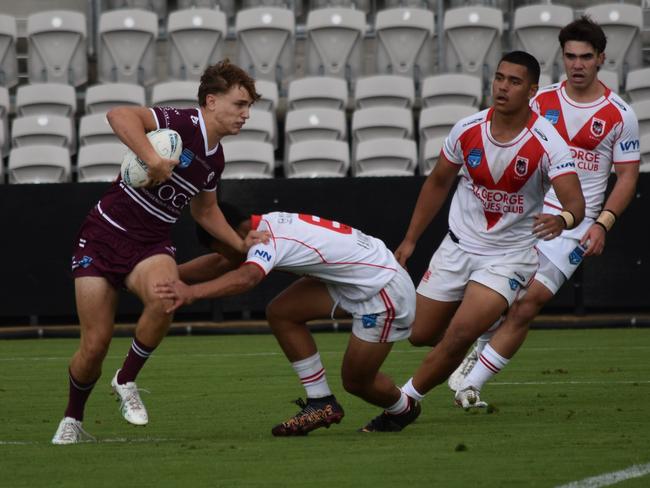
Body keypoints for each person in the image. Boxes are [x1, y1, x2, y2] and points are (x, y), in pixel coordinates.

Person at [360, 50, 586, 430]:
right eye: (499, 78)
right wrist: (411, 239)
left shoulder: (548, 142)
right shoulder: (467, 129)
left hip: (509, 257)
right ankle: (466, 340)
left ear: (532, 91)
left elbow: (576, 203)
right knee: (419, 334)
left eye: (514, 82)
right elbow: (437, 182)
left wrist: (562, 219)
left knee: (460, 334)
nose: (503, 87)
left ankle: (403, 404)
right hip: (457, 247)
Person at [52, 60, 267, 444]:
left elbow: (205, 210)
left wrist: (240, 245)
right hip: (102, 235)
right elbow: (119, 115)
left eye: (249, 106)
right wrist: (153, 159)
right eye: (239, 104)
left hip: (150, 244)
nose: (245, 114)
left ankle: (127, 379)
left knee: (167, 296)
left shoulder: (215, 158)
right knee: (94, 345)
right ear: (211, 101)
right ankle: (73, 418)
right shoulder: (181, 123)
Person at [448, 17, 640, 408]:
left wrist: (604, 223)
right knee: (498, 295)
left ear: (601, 59)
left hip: (574, 223)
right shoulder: (539, 101)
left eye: (586, 57)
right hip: (526, 216)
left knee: (529, 301)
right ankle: (481, 343)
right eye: (570, 56)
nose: (577, 64)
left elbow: (626, 177)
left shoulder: (621, 114)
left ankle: (472, 384)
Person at [156, 204, 419, 435]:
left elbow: (247, 277)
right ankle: (321, 402)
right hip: (358, 280)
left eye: (223, 247)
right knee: (282, 312)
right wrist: (164, 277)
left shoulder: (268, 238)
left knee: (356, 382)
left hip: (383, 290)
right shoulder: (260, 225)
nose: (225, 255)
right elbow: (219, 263)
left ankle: (403, 408)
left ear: (233, 232)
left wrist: (191, 293)